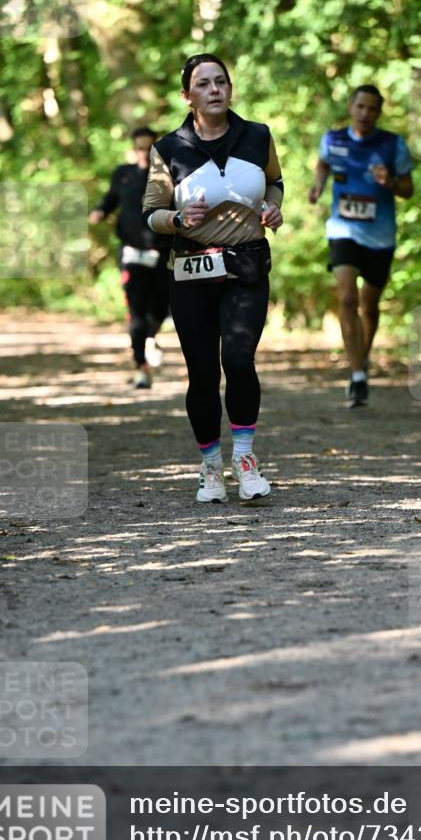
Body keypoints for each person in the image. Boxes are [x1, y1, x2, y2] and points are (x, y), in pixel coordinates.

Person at [142, 53, 283, 503]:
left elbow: (276, 182)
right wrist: (178, 219)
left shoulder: (257, 135)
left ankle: (245, 459)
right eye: (204, 84)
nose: (215, 89)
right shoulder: (168, 149)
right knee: (202, 374)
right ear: (188, 96)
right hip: (190, 270)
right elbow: (151, 214)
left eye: (221, 81)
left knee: (239, 361)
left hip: (245, 265)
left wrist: (274, 206)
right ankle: (209, 467)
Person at [309, 85, 414, 407]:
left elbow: (408, 190)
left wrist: (390, 182)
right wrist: (318, 184)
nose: (366, 114)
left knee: (369, 306)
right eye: (361, 107)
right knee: (347, 298)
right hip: (343, 230)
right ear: (351, 107)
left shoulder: (392, 144)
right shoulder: (333, 139)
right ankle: (356, 375)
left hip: (380, 236)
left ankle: (360, 360)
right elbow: (323, 163)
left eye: (372, 109)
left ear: (379, 113)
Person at [89, 127, 172, 388]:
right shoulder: (122, 175)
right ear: (133, 148)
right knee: (136, 311)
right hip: (131, 253)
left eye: (150, 148)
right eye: (140, 147)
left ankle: (151, 335)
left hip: (161, 252)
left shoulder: (168, 175)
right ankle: (141, 366)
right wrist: (100, 212)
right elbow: (110, 199)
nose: (144, 153)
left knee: (161, 307)